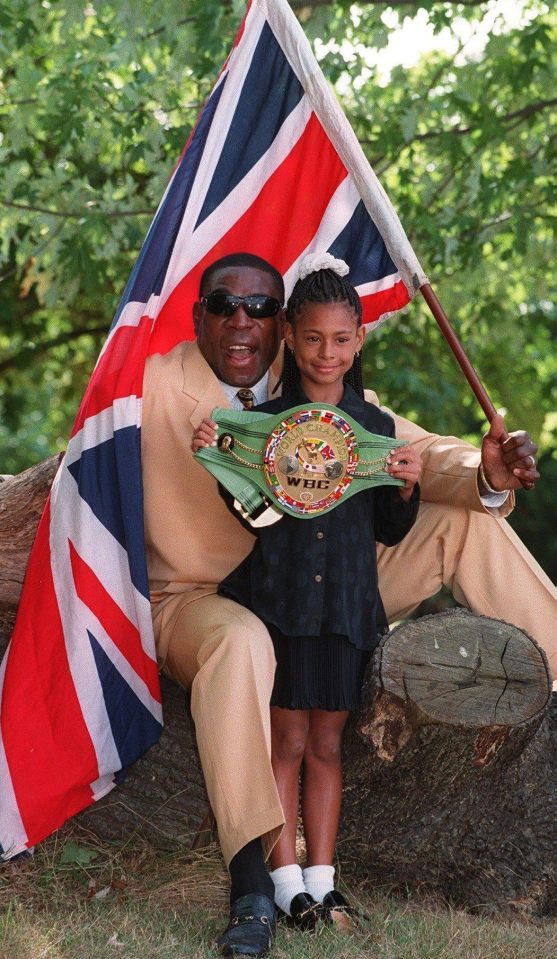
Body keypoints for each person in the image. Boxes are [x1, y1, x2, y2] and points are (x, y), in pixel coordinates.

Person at [141, 251, 555, 958]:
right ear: (198, 316)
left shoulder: (313, 394)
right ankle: (253, 882)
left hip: (321, 576)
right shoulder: (146, 382)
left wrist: (484, 468)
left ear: (282, 324)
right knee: (243, 644)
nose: (242, 320)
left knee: (463, 513)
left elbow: (421, 453)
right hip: (203, 598)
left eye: (260, 308)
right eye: (223, 304)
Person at [192, 254, 422, 929]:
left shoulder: (375, 430)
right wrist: (222, 460)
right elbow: (254, 516)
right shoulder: (265, 423)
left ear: (359, 340)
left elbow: (389, 525)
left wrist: (406, 484)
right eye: (314, 338)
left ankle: (323, 880)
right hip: (281, 604)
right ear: (289, 335)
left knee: (326, 745)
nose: (328, 353)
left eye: (342, 339)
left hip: (348, 607)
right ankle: (283, 877)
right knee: (283, 741)